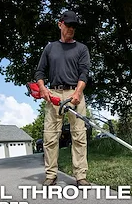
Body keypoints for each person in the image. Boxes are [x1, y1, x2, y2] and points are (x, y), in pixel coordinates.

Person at [35, 10, 91, 187]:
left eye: (74, 26)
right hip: (53, 95)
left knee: (79, 136)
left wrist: (77, 93)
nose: (71, 29)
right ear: (60, 24)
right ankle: (51, 175)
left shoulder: (81, 48)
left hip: (76, 93)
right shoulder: (50, 47)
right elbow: (40, 71)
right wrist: (43, 88)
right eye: (68, 25)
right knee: (50, 136)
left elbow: (84, 73)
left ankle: (80, 176)